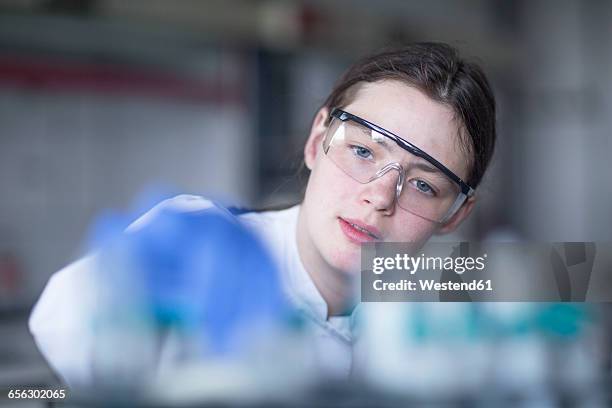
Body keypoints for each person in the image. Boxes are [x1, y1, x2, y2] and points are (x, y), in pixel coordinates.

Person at [29, 42, 496, 385]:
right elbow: (59, 316)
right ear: (317, 141)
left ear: (455, 214)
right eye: (362, 151)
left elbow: (567, 276)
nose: (380, 198)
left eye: (422, 185)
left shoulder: (442, 295)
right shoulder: (209, 246)